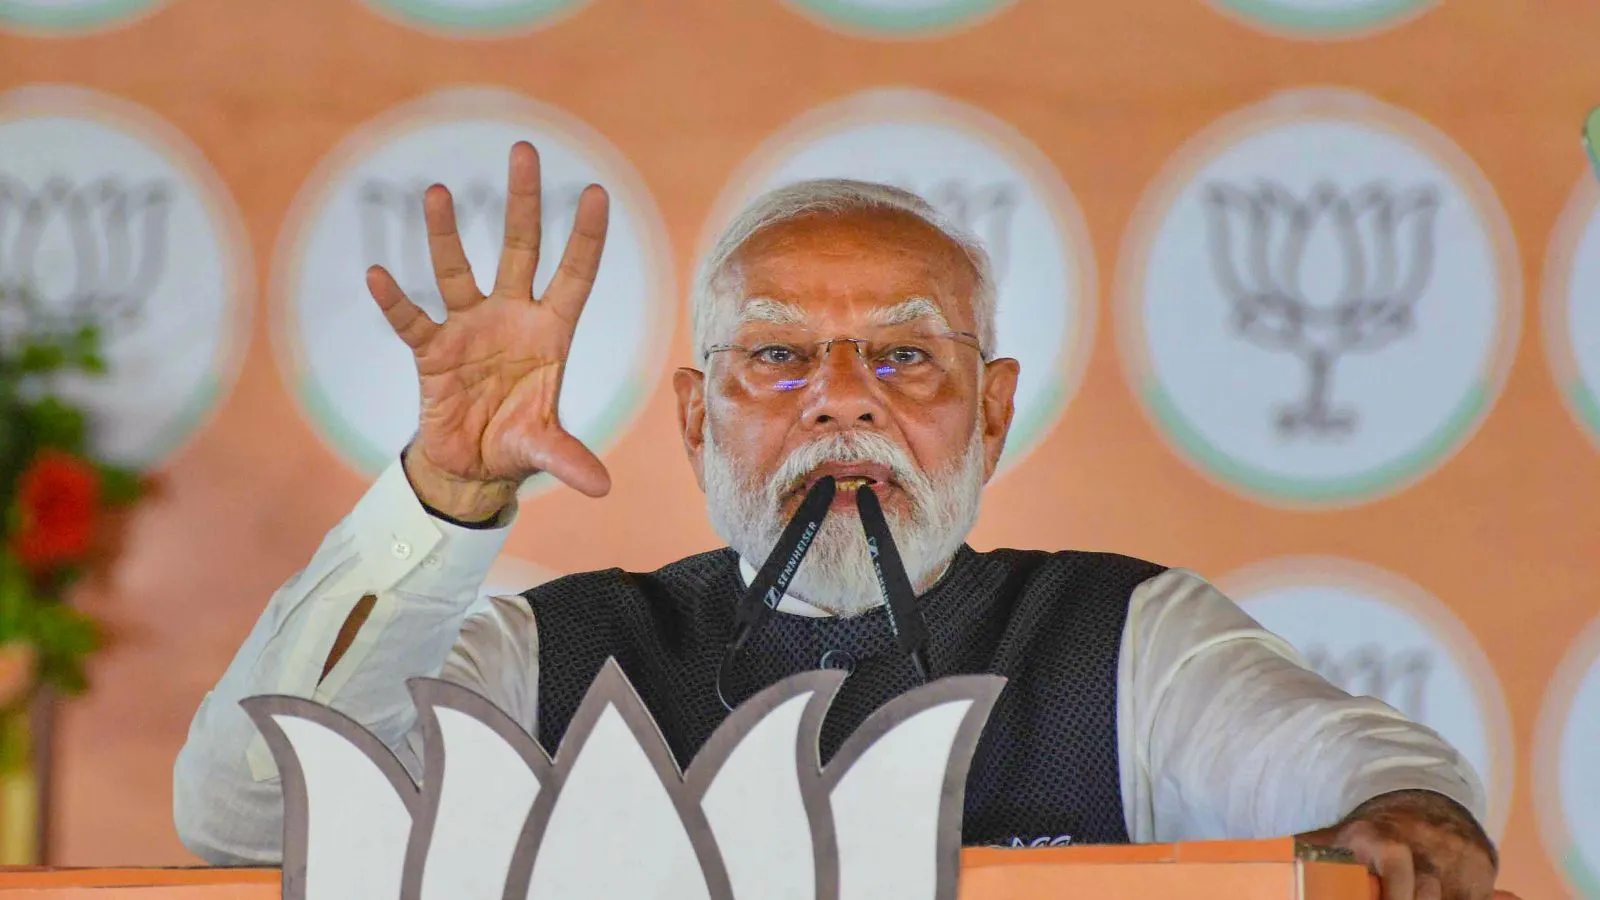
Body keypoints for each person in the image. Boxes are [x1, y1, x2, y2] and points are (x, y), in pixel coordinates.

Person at [175, 141, 1516, 900]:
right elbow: (246, 822)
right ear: (697, 419)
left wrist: (1402, 815)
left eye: (904, 358)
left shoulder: (1127, 642)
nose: (841, 405)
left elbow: (1367, 784)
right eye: (778, 359)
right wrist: (446, 497)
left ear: (990, 415)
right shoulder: (549, 653)